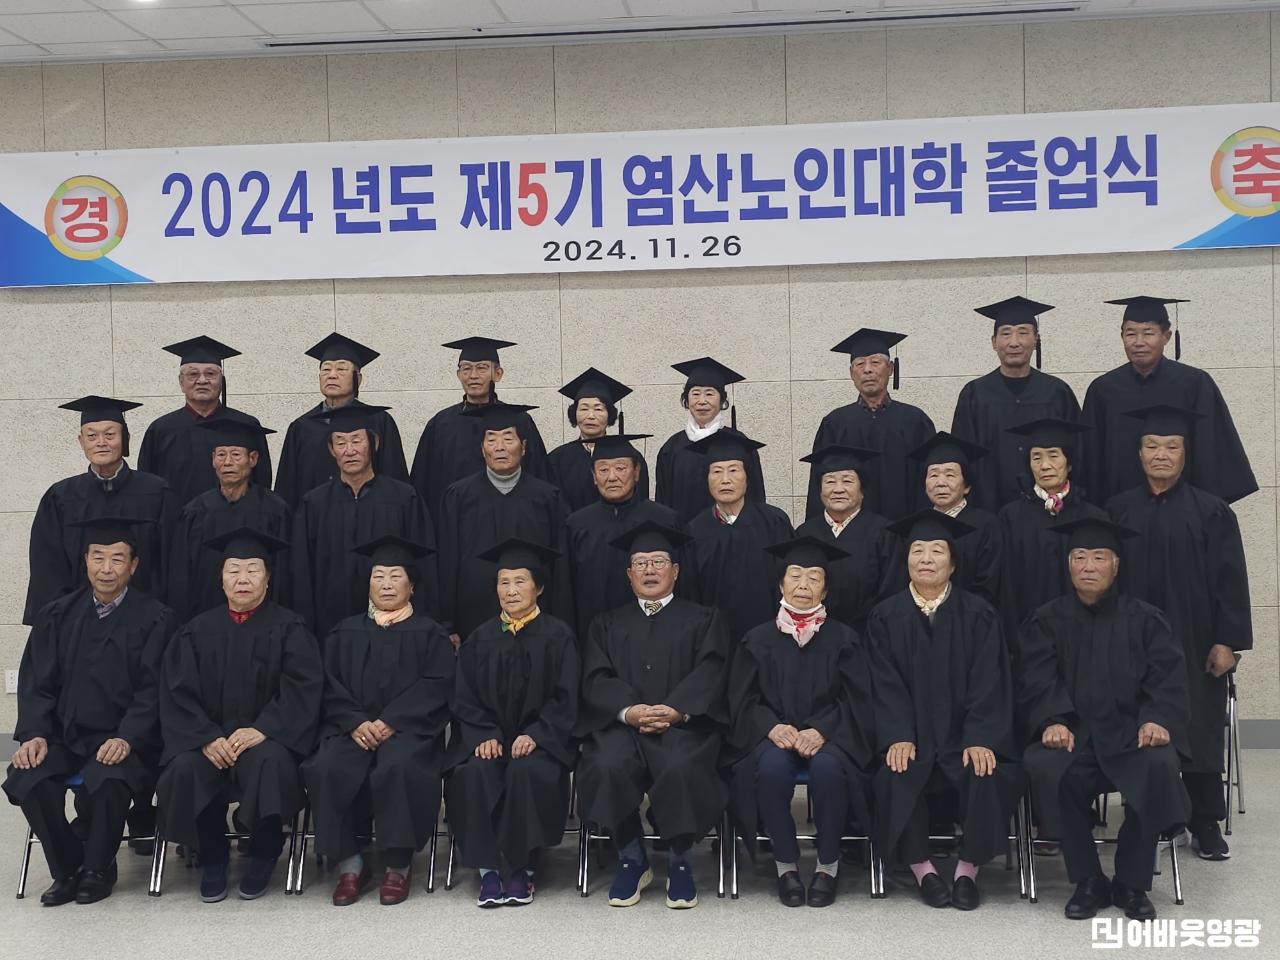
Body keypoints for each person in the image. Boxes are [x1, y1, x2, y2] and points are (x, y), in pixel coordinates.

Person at [1020, 517, 1190, 921]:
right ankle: (1088, 880)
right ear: (1069, 565)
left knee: (1158, 766)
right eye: (1079, 557)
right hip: (1074, 734)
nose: (1088, 566)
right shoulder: (1047, 620)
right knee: (1047, 767)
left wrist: (1156, 718)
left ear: (1115, 566)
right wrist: (1052, 720)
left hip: (1131, 734)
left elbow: (1167, 677)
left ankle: (1132, 882)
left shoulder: (1146, 619)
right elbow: (1036, 676)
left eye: (1099, 558)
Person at [1105, 404, 1251, 861]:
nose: (1161, 455)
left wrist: (1227, 641)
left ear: (1186, 454)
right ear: (1139, 453)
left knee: (1200, 727)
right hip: (1132, 643)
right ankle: (1148, 814)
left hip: (1196, 639)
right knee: (1139, 722)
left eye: (1171, 446)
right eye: (1152, 446)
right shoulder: (1118, 510)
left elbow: (1231, 581)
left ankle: (1204, 821)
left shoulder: (1212, 511)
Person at [4, 518, 174, 905]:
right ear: (85, 561)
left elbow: (154, 690)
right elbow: (37, 683)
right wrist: (35, 734)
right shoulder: (56, 616)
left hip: (125, 739)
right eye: (98, 557)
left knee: (111, 777)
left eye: (117, 559)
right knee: (27, 775)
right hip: (64, 737)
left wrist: (128, 737)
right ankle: (67, 868)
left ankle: (98, 868)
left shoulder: (156, 618)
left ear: (133, 565)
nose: (106, 568)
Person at [157, 527, 322, 903]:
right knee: (185, 767)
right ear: (221, 579)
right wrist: (205, 736)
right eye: (233, 570)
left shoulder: (290, 628)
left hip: (266, 739)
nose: (242, 578)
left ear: (268, 578)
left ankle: (264, 852)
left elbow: (303, 688)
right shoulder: (196, 631)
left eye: (252, 570)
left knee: (271, 763)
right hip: (209, 738)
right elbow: (176, 692)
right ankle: (212, 855)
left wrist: (263, 729)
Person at [869, 510, 1022, 911]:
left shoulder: (979, 615)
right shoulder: (886, 617)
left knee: (986, 769)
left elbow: (990, 681)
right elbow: (884, 684)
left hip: (963, 736)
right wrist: (898, 735)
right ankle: (923, 869)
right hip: (912, 736)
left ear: (953, 563)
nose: (926, 559)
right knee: (896, 771)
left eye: (937, 551)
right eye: (917, 550)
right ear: (906, 561)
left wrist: (980, 737)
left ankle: (967, 870)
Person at [576, 521, 730, 910]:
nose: (649, 569)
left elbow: (712, 669)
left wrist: (678, 709)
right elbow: (596, 677)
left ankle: (680, 860)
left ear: (675, 571)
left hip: (682, 727)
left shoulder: (704, 619)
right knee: (606, 763)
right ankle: (632, 857)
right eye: (641, 563)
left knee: (681, 766)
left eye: (659, 561)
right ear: (628, 574)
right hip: (623, 728)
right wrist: (630, 711)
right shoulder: (606, 623)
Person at [302, 535, 454, 907]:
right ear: (368, 584)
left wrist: (391, 720)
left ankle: (398, 865)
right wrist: (355, 722)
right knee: (326, 765)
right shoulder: (343, 633)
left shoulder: (430, 634)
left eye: (395, 576)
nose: (386, 584)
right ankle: (350, 864)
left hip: (409, 730)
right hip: (351, 730)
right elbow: (328, 684)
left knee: (399, 766)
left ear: (412, 585)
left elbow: (438, 686)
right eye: (378, 576)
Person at [726, 536, 876, 909]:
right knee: (772, 769)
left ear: (826, 588)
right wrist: (770, 726)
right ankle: (785, 866)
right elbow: (741, 698)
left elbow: (858, 698)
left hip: (831, 737)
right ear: (781, 584)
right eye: (795, 575)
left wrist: (823, 729)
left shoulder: (845, 639)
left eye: (814, 577)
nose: (803, 585)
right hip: (773, 736)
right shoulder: (757, 639)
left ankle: (827, 865)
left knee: (828, 770)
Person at [445, 539, 579, 908]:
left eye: (520, 581)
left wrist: (537, 734)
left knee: (528, 771)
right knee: (473, 772)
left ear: (539, 587)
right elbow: (463, 697)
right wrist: (482, 734)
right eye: (504, 582)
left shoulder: (558, 636)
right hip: (487, 739)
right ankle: (488, 870)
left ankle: (523, 867)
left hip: (538, 742)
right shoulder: (480, 638)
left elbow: (566, 697)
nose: (511, 590)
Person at [1083, 296, 1256, 505]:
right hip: (1119, 511)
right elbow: (1090, 459)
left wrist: (1203, 509)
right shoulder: (1103, 389)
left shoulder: (1194, 383)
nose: (1139, 342)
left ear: (1166, 336)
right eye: (1131, 334)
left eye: (1148, 333)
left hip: (1183, 510)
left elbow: (1211, 449)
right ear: (1122, 337)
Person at [25, 396, 179, 625]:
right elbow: (48, 569)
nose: (101, 442)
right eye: (92, 436)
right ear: (81, 442)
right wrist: (60, 621)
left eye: (109, 434)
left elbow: (172, 562)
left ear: (125, 439)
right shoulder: (61, 497)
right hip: (78, 622)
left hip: (146, 621)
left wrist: (162, 616)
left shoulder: (157, 493)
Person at [291, 405, 436, 641]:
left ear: (374, 443)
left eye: (357, 441)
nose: (349, 450)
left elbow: (424, 563)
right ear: (331, 449)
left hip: (396, 627)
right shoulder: (314, 504)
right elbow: (302, 572)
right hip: (330, 624)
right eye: (340, 442)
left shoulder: (403, 498)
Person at [437, 402, 569, 647]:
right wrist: (448, 623)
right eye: (491, 439)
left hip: (537, 621)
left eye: (508, 438)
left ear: (524, 447)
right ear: (482, 448)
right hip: (473, 618)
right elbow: (447, 562)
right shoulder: (458, 496)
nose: (499, 447)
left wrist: (560, 620)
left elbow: (560, 567)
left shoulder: (547, 498)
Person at [951, 296, 1082, 512]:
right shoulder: (974, 395)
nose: (1014, 342)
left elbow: (1077, 453)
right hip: (988, 510)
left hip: (1049, 511)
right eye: (1006, 333)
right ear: (994, 342)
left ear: (1036, 339)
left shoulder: (1057, 392)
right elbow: (962, 460)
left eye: (1023, 333)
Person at [995, 418, 1105, 663]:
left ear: (1069, 462)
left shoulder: (1093, 517)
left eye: (1054, 455)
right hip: (1028, 639)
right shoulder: (1010, 518)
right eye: (1036, 457)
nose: (1045, 465)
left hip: (1087, 640)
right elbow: (1006, 587)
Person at [410, 337, 549, 527]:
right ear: (458, 374)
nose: (473, 375)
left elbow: (539, 477)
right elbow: (422, 485)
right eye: (466, 369)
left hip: (512, 523)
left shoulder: (519, 420)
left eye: (482, 368)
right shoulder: (441, 424)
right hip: (455, 526)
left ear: (498, 373)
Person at [168, 418, 291, 622]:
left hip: (264, 620)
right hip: (204, 618)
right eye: (221, 455)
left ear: (253, 459)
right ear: (213, 460)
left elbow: (284, 574)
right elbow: (180, 576)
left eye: (235, 455)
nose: (227, 463)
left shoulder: (275, 510)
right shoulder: (195, 512)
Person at [804, 328, 934, 522]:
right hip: (851, 533)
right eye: (860, 364)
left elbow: (927, 482)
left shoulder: (915, 421)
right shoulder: (835, 423)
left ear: (890, 368)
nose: (867, 370)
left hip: (905, 529)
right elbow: (820, 484)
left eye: (875, 362)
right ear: (851, 373)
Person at [563, 432, 681, 641]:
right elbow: (566, 590)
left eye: (620, 468)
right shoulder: (576, 525)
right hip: (593, 636)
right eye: (603, 469)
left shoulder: (664, 520)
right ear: (594, 476)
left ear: (636, 472)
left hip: (657, 636)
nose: (612, 477)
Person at [274, 333, 408, 508]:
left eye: (341, 369)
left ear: (358, 378)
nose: (332, 375)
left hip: (370, 515)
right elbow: (287, 487)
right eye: (326, 370)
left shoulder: (379, 421)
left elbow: (395, 478)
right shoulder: (301, 427)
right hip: (315, 519)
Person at [685, 430, 794, 643]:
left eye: (734, 470)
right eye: (717, 471)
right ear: (707, 478)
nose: (725, 480)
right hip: (713, 642)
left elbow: (789, 582)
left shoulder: (774, 523)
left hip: (769, 640)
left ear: (747, 476)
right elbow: (690, 593)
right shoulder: (695, 531)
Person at [137, 335, 273, 505]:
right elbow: (147, 485)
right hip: (175, 520)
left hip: (237, 518)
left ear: (221, 381)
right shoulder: (160, 430)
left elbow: (262, 482)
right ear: (181, 382)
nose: (202, 380)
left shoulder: (246, 426)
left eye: (210, 374)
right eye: (193, 374)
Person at [795, 444, 895, 633]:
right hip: (815, 634)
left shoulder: (884, 533)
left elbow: (890, 590)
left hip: (869, 633)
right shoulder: (805, 534)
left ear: (862, 490)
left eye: (847, 481)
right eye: (830, 481)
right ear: (820, 490)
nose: (838, 489)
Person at [655, 357, 766, 524]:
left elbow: (756, 495)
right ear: (687, 400)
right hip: (683, 535)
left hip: (733, 534)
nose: (702, 401)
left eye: (709, 394)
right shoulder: (671, 448)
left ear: (721, 400)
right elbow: (663, 501)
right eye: (695, 394)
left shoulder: (739, 443)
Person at [903, 431, 1001, 605]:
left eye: (950, 475)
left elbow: (989, 581)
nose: (941, 483)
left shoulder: (986, 525)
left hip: (973, 614)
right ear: (924, 485)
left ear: (967, 486)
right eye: (933, 475)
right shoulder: (917, 525)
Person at [546, 367, 651, 513]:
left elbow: (640, 504)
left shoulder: (630, 457)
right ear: (574, 414)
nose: (590, 416)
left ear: (609, 415)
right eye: (584, 409)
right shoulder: (557, 459)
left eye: (598, 409)